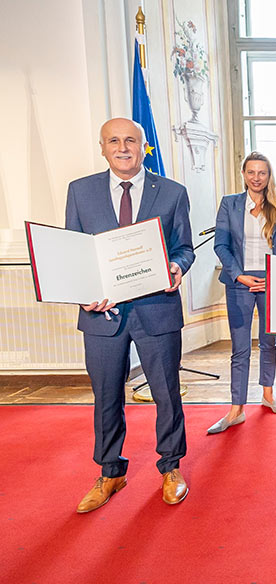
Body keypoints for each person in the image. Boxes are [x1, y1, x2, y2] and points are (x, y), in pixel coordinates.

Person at [67, 118, 194, 512]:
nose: (123, 147)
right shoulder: (80, 191)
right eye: (114, 141)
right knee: (105, 397)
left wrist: (176, 268)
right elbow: (74, 253)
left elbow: (184, 248)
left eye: (130, 141)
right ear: (102, 147)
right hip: (102, 317)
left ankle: (171, 467)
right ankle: (110, 471)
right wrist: (82, 294)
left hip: (157, 309)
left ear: (143, 147)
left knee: (166, 394)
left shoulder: (172, 192)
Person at [208, 152, 276, 434]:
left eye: (262, 173)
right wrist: (239, 275)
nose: (257, 178)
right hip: (239, 281)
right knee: (240, 347)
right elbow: (221, 245)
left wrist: (275, 277)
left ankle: (268, 396)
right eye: (251, 172)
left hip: (271, 281)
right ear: (243, 174)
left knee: (269, 342)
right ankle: (236, 409)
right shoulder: (229, 205)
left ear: (269, 176)